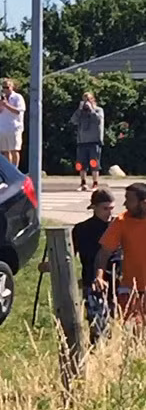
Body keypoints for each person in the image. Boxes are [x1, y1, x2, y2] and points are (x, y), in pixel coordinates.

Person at [38, 188, 119, 343]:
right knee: (97, 324)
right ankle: (99, 352)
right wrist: (52, 264)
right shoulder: (82, 229)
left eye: (111, 209)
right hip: (92, 282)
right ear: (94, 207)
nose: (109, 213)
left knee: (121, 321)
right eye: (105, 208)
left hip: (119, 280)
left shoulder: (117, 225)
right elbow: (70, 254)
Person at [93, 182, 146, 327]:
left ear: (143, 203)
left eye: (129, 200)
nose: (125, 204)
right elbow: (104, 252)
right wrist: (99, 276)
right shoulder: (122, 221)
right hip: (130, 288)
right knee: (133, 331)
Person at [69, 92, 105, 192]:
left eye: (88, 100)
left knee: (94, 163)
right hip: (82, 141)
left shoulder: (99, 110)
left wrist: (91, 109)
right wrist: (79, 110)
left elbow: (98, 121)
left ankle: (95, 183)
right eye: (84, 100)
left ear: (93, 100)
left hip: (94, 141)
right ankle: (83, 183)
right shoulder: (81, 113)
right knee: (81, 164)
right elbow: (73, 121)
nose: (86, 103)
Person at [0, 78, 26, 167]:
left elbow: (18, 111)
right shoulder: (1, 99)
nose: (5, 89)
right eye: (3, 87)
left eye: (7, 87)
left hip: (14, 127)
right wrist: (0, 105)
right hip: (2, 128)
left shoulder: (17, 97)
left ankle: (15, 169)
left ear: (12, 87)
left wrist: (7, 105)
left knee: (14, 149)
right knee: (5, 151)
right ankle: (9, 169)